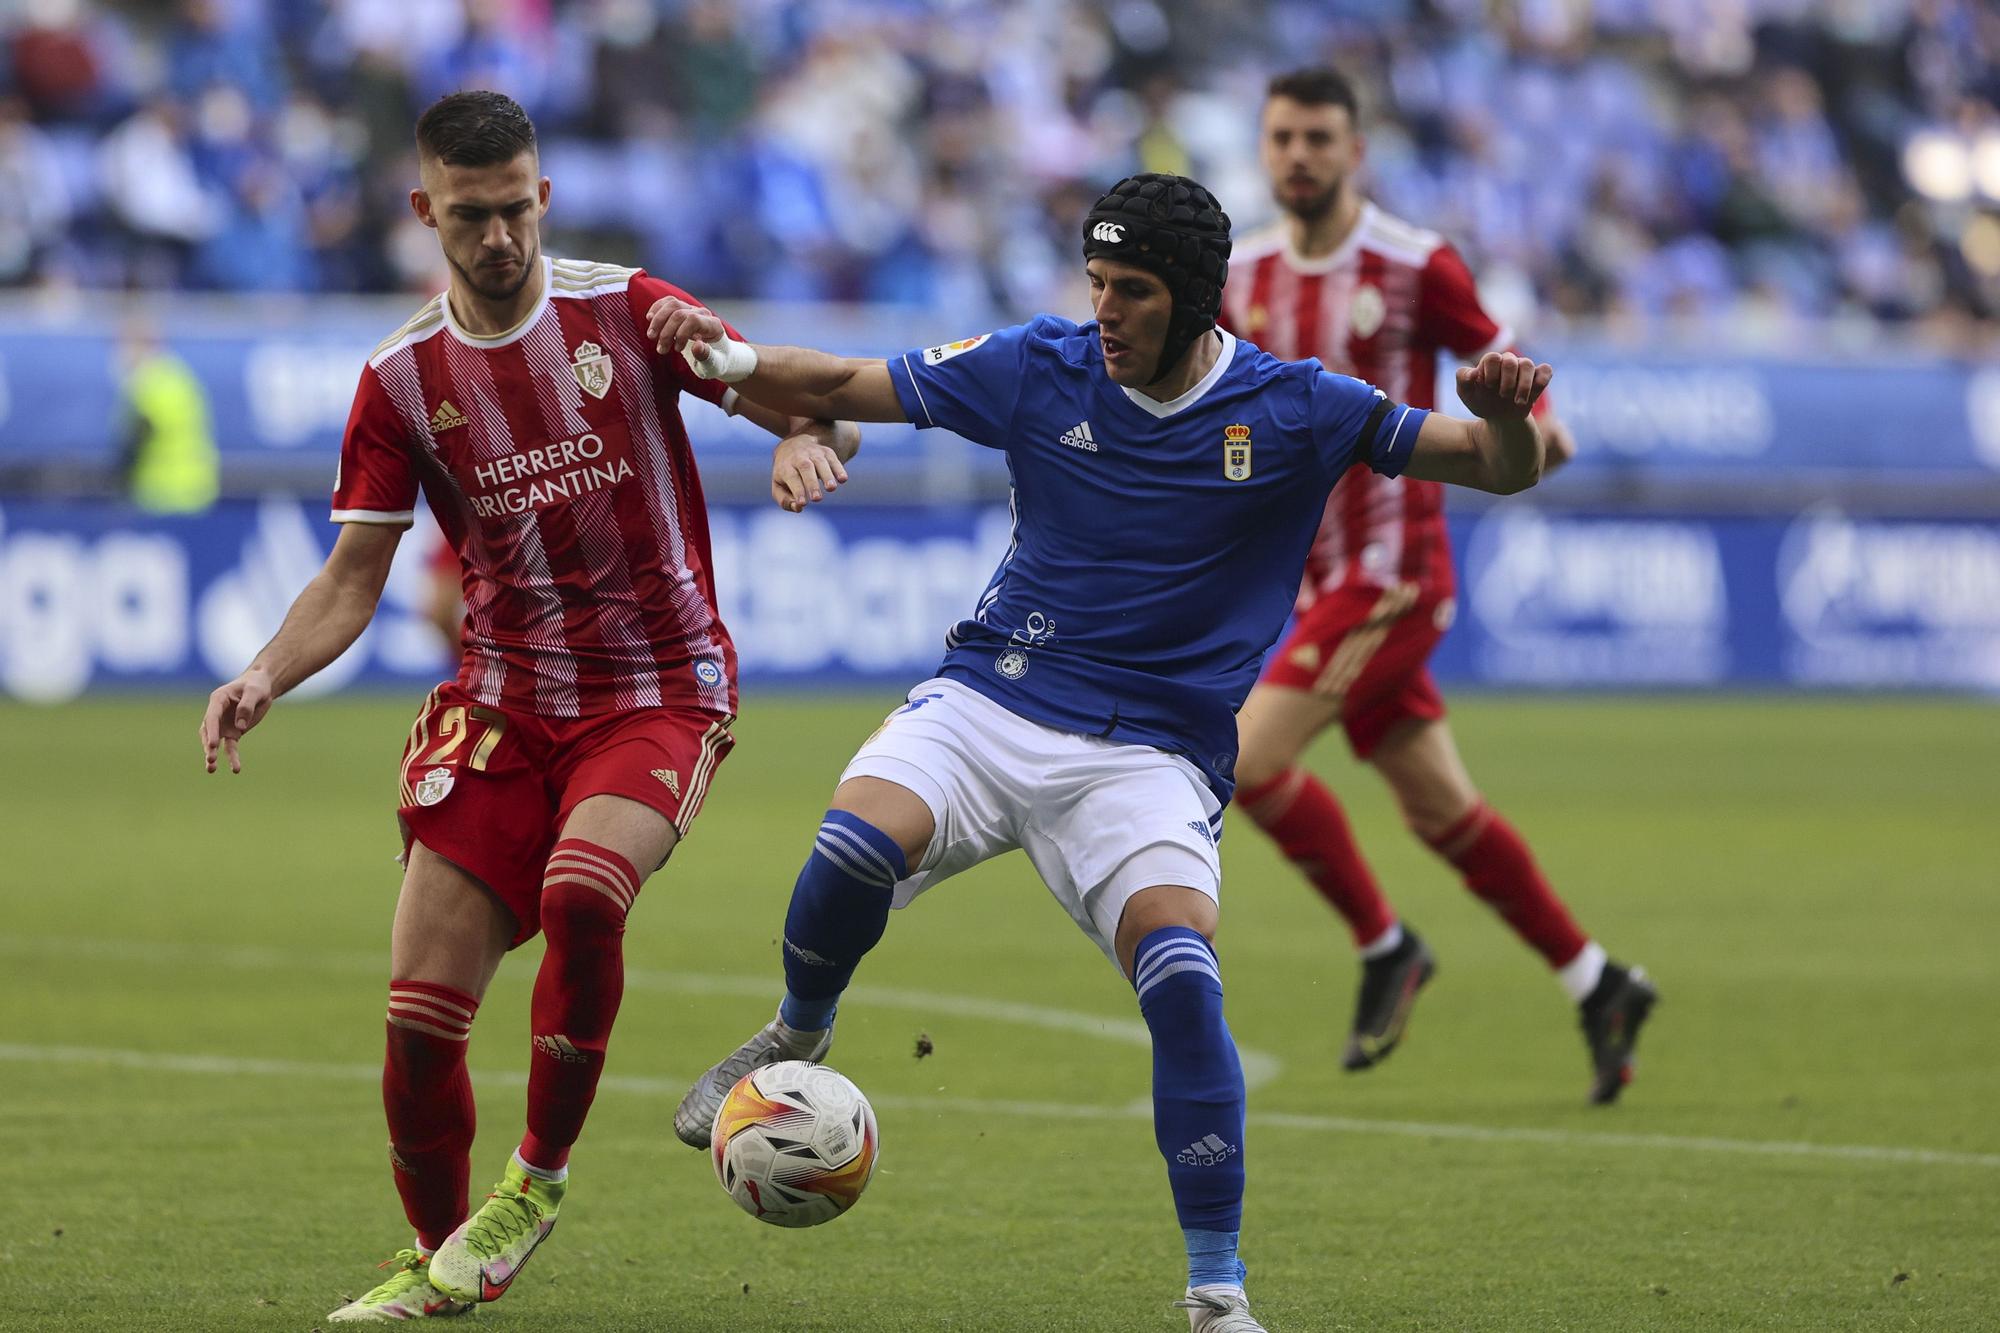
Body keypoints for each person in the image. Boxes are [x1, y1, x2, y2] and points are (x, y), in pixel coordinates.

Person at [648, 171, 1553, 1333]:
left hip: (1149, 756)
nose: (1105, 311)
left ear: (1192, 300)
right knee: (851, 843)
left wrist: (1511, 414)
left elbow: (1493, 463)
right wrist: (717, 358)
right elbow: (835, 382)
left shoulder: (1295, 407)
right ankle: (799, 1028)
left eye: (1130, 291)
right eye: (1096, 283)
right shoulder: (1040, 363)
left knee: (1183, 983)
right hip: (992, 698)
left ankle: (1216, 1291)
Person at [196, 90, 857, 1324]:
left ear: (542, 198)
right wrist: (262, 673)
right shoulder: (399, 381)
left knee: (580, 892)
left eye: (514, 211)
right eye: (469, 216)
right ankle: (434, 1260)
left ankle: (532, 1185)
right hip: (502, 702)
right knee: (417, 1020)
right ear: (423, 212)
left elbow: (787, 390)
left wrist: (802, 437)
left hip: (657, 687)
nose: (497, 238)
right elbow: (353, 576)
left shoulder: (632, 312)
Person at [1219, 68, 1656, 1102]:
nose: (1297, 156)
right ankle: (1597, 981)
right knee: (1438, 808)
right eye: (1280, 137)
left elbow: (1529, 410)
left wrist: (1520, 426)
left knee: (1239, 757)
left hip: (1391, 577)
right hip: (1315, 578)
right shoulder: (1241, 276)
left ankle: (1383, 945)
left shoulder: (1416, 265)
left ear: (1354, 149)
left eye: (1317, 138)